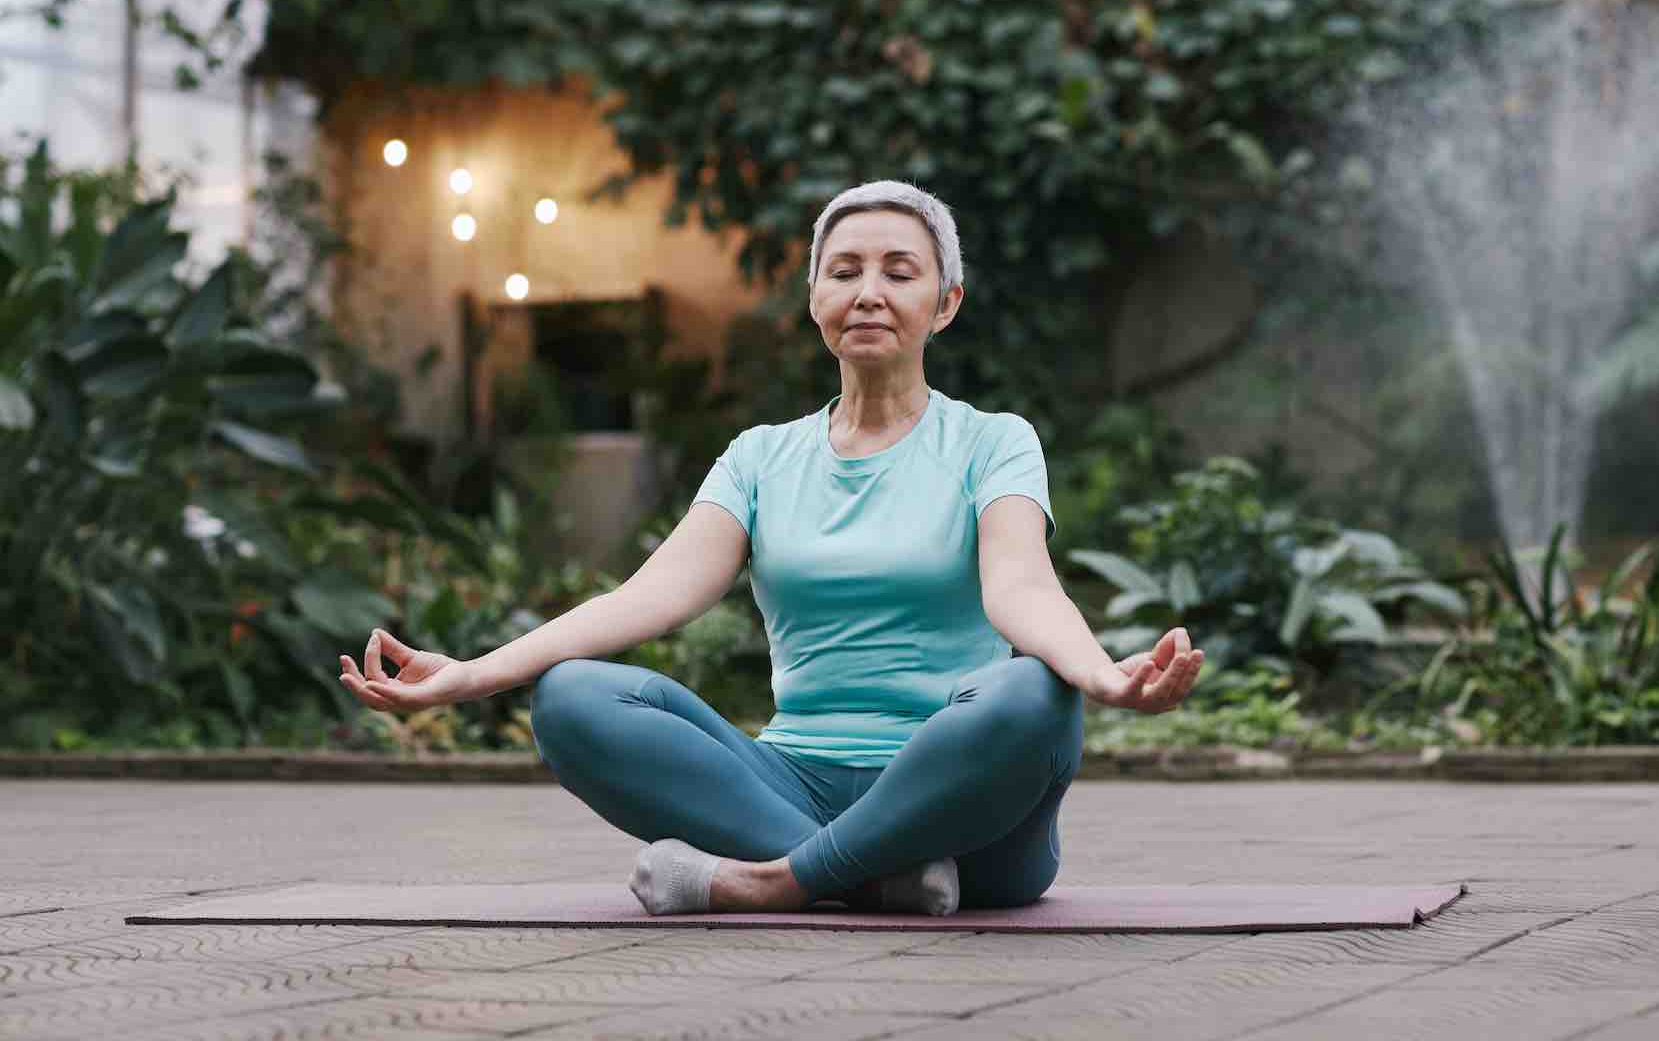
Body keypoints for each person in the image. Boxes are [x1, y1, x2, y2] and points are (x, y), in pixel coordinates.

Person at [336, 180, 1203, 917]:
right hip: (788, 783)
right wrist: (474, 674)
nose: (869, 291)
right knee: (570, 698)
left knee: (1033, 695)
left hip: (967, 814)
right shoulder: (760, 457)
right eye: (845, 270)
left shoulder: (993, 442)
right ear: (815, 298)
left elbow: (1021, 588)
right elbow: (647, 598)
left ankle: (771, 884)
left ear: (945, 305)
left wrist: (1101, 676)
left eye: (900, 273)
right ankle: (874, 876)